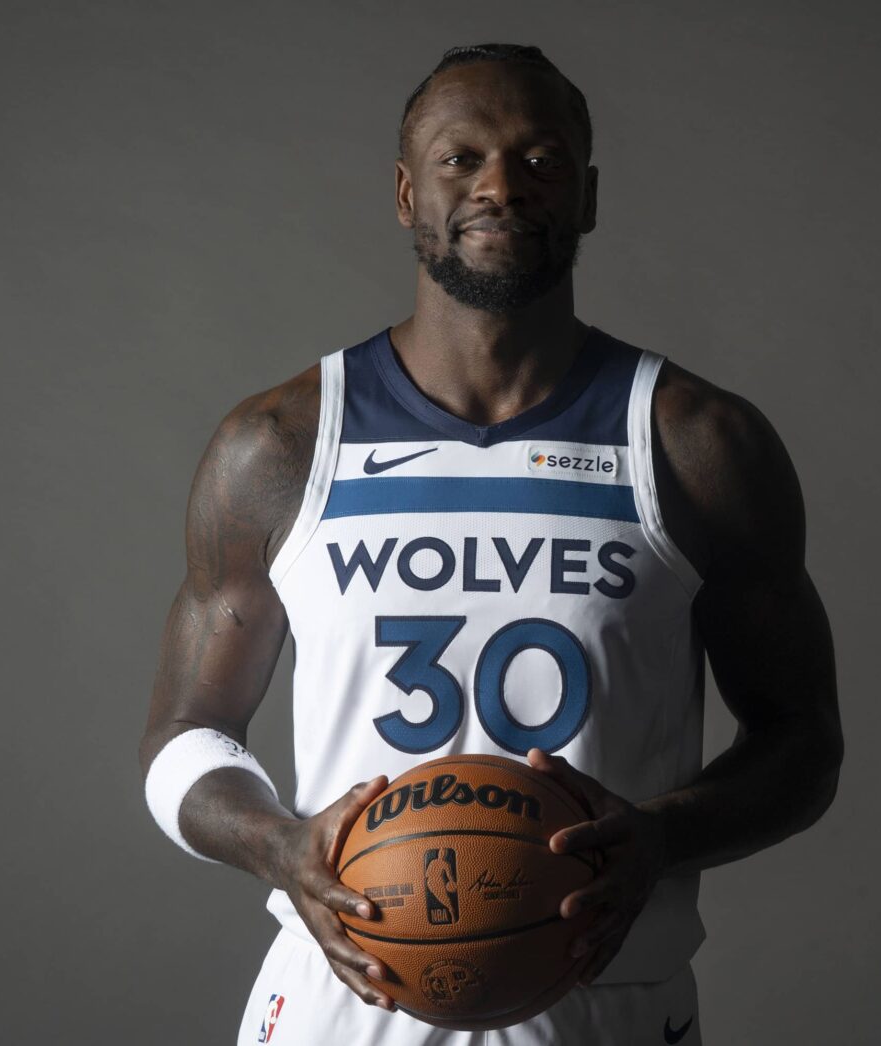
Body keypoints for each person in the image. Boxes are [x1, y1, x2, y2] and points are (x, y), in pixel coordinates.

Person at [139, 43, 843, 1046]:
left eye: (540, 160)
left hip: (604, 1002)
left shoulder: (693, 445)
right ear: (404, 194)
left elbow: (803, 742)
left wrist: (659, 836)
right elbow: (182, 736)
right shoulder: (284, 445)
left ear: (589, 196)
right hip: (346, 1000)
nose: (501, 186)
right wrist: (280, 845)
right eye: (459, 159)